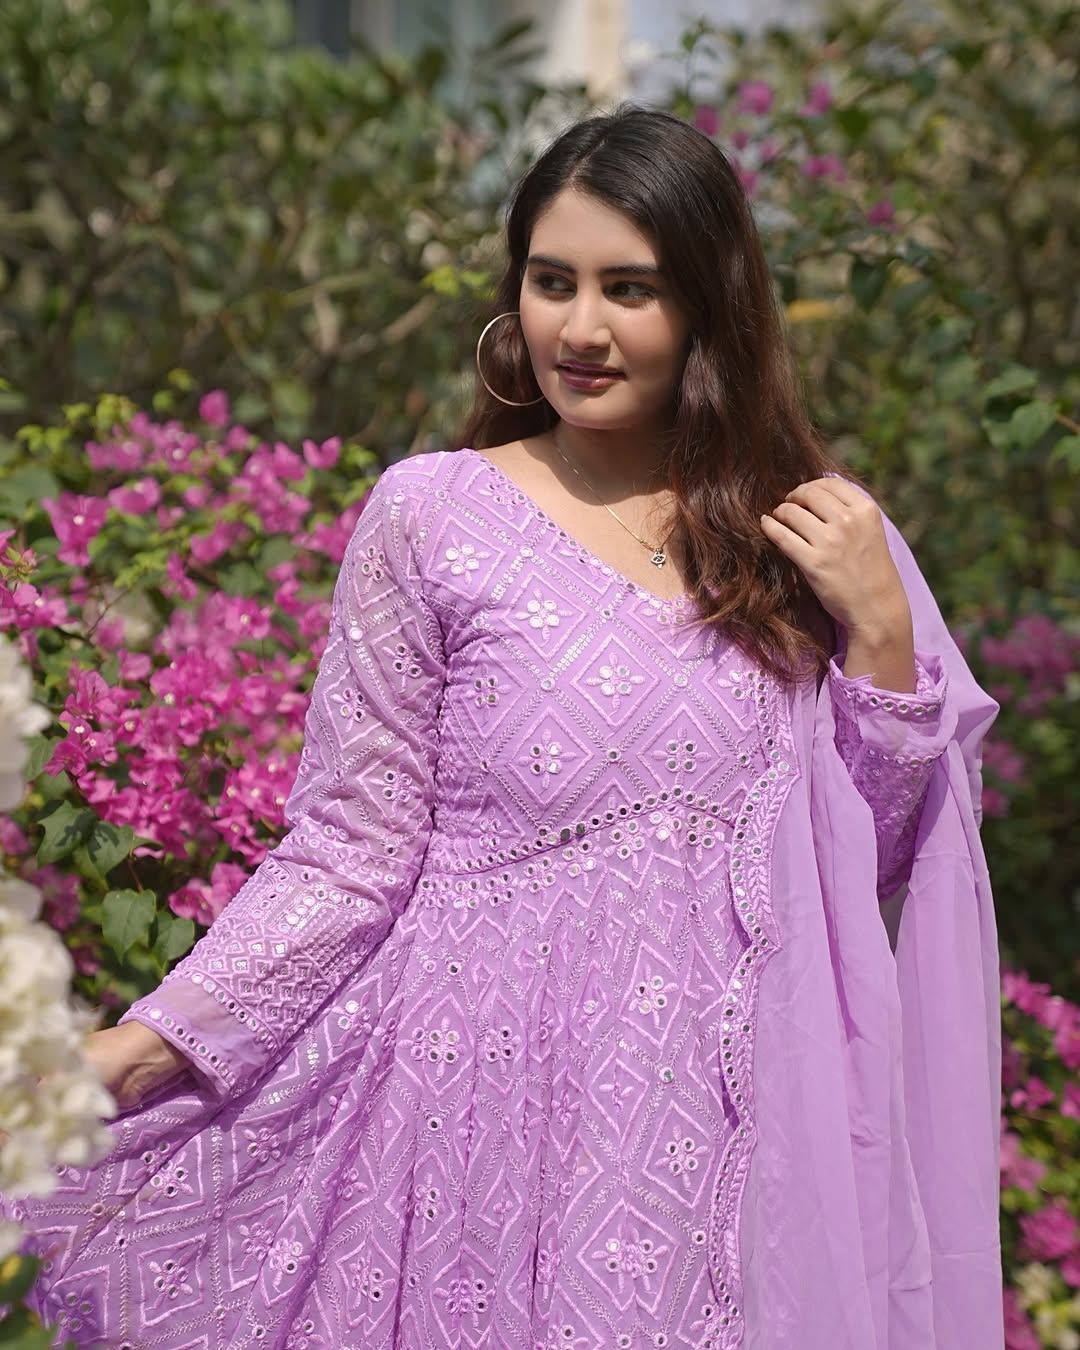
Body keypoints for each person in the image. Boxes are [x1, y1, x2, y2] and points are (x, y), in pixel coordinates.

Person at [7, 106, 1003, 1349]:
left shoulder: (805, 539)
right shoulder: (432, 515)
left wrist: (882, 640)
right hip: (470, 1111)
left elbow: (880, 866)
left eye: (628, 288)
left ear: (707, 306)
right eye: (551, 281)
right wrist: (145, 1051)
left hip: (724, 1124)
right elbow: (347, 853)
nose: (578, 330)